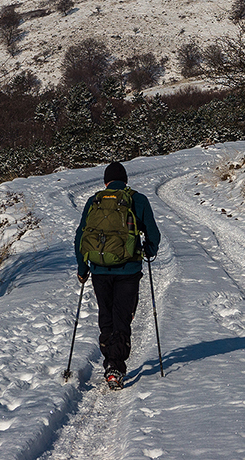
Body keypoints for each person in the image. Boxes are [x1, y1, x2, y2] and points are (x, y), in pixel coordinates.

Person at [74, 162, 161, 389]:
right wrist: (149, 250)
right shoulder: (137, 200)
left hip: (99, 270)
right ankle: (115, 366)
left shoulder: (94, 201)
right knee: (122, 317)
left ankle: (110, 360)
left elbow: (80, 237)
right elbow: (153, 234)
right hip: (128, 270)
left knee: (107, 316)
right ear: (125, 181)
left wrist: (82, 269)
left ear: (106, 182)